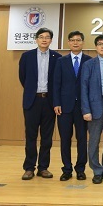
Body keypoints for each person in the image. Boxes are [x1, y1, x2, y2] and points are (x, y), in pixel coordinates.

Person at [19, 27, 62, 180]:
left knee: (47, 137)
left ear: (51, 40)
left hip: (49, 101)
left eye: (47, 37)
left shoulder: (57, 57)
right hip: (32, 100)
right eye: (41, 37)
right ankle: (29, 167)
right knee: (31, 135)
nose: (44, 39)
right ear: (36, 39)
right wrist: (33, 92)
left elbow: (58, 81)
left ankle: (43, 167)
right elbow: (23, 78)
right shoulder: (27, 56)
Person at [53, 31, 91, 181]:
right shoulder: (61, 61)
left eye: (78, 40)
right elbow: (56, 84)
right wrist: (56, 102)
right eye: (72, 40)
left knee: (82, 139)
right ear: (68, 43)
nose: (75, 43)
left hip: (82, 107)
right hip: (64, 107)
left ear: (83, 42)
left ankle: (80, 169)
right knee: (65, 139)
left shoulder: (89, 61)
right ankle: (67, 169)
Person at [81, 35, 103, 184]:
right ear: (96, 47)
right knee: (94, 140)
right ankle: (96, 170)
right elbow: (83, 88)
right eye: (100, 44)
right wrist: (86, 110)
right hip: (95, 105)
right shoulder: (89, 65)